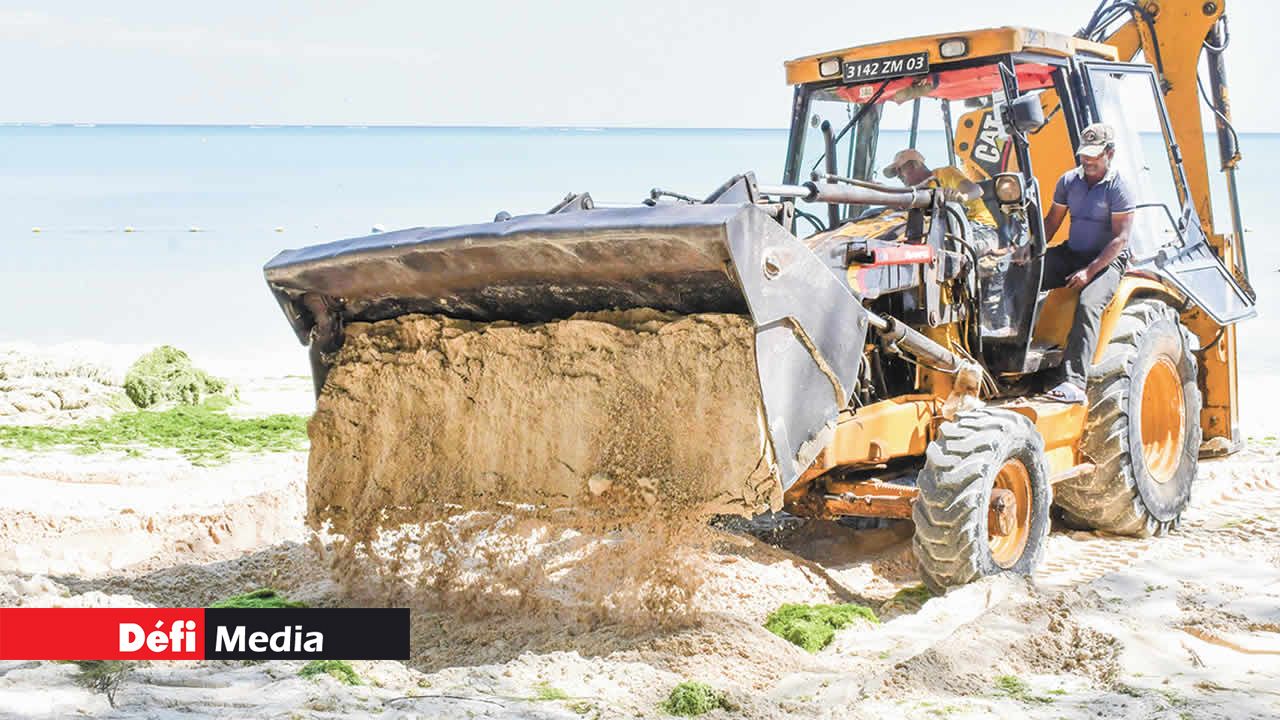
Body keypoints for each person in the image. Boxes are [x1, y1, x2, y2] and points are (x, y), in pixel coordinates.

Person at [1038, 122, 1135, 403]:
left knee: (1088, 304)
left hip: (1107, 260)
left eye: (1094, 155)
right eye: (1084, 154)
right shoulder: (1068, 181)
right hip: (1073, 252)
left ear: (1110, 153)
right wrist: (1029, 251)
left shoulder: (1119, 188)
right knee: (1023, 275)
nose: (1088, 161)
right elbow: (1051, 222)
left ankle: (1074, 383)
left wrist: (1089, 272)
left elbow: (1120, 239)